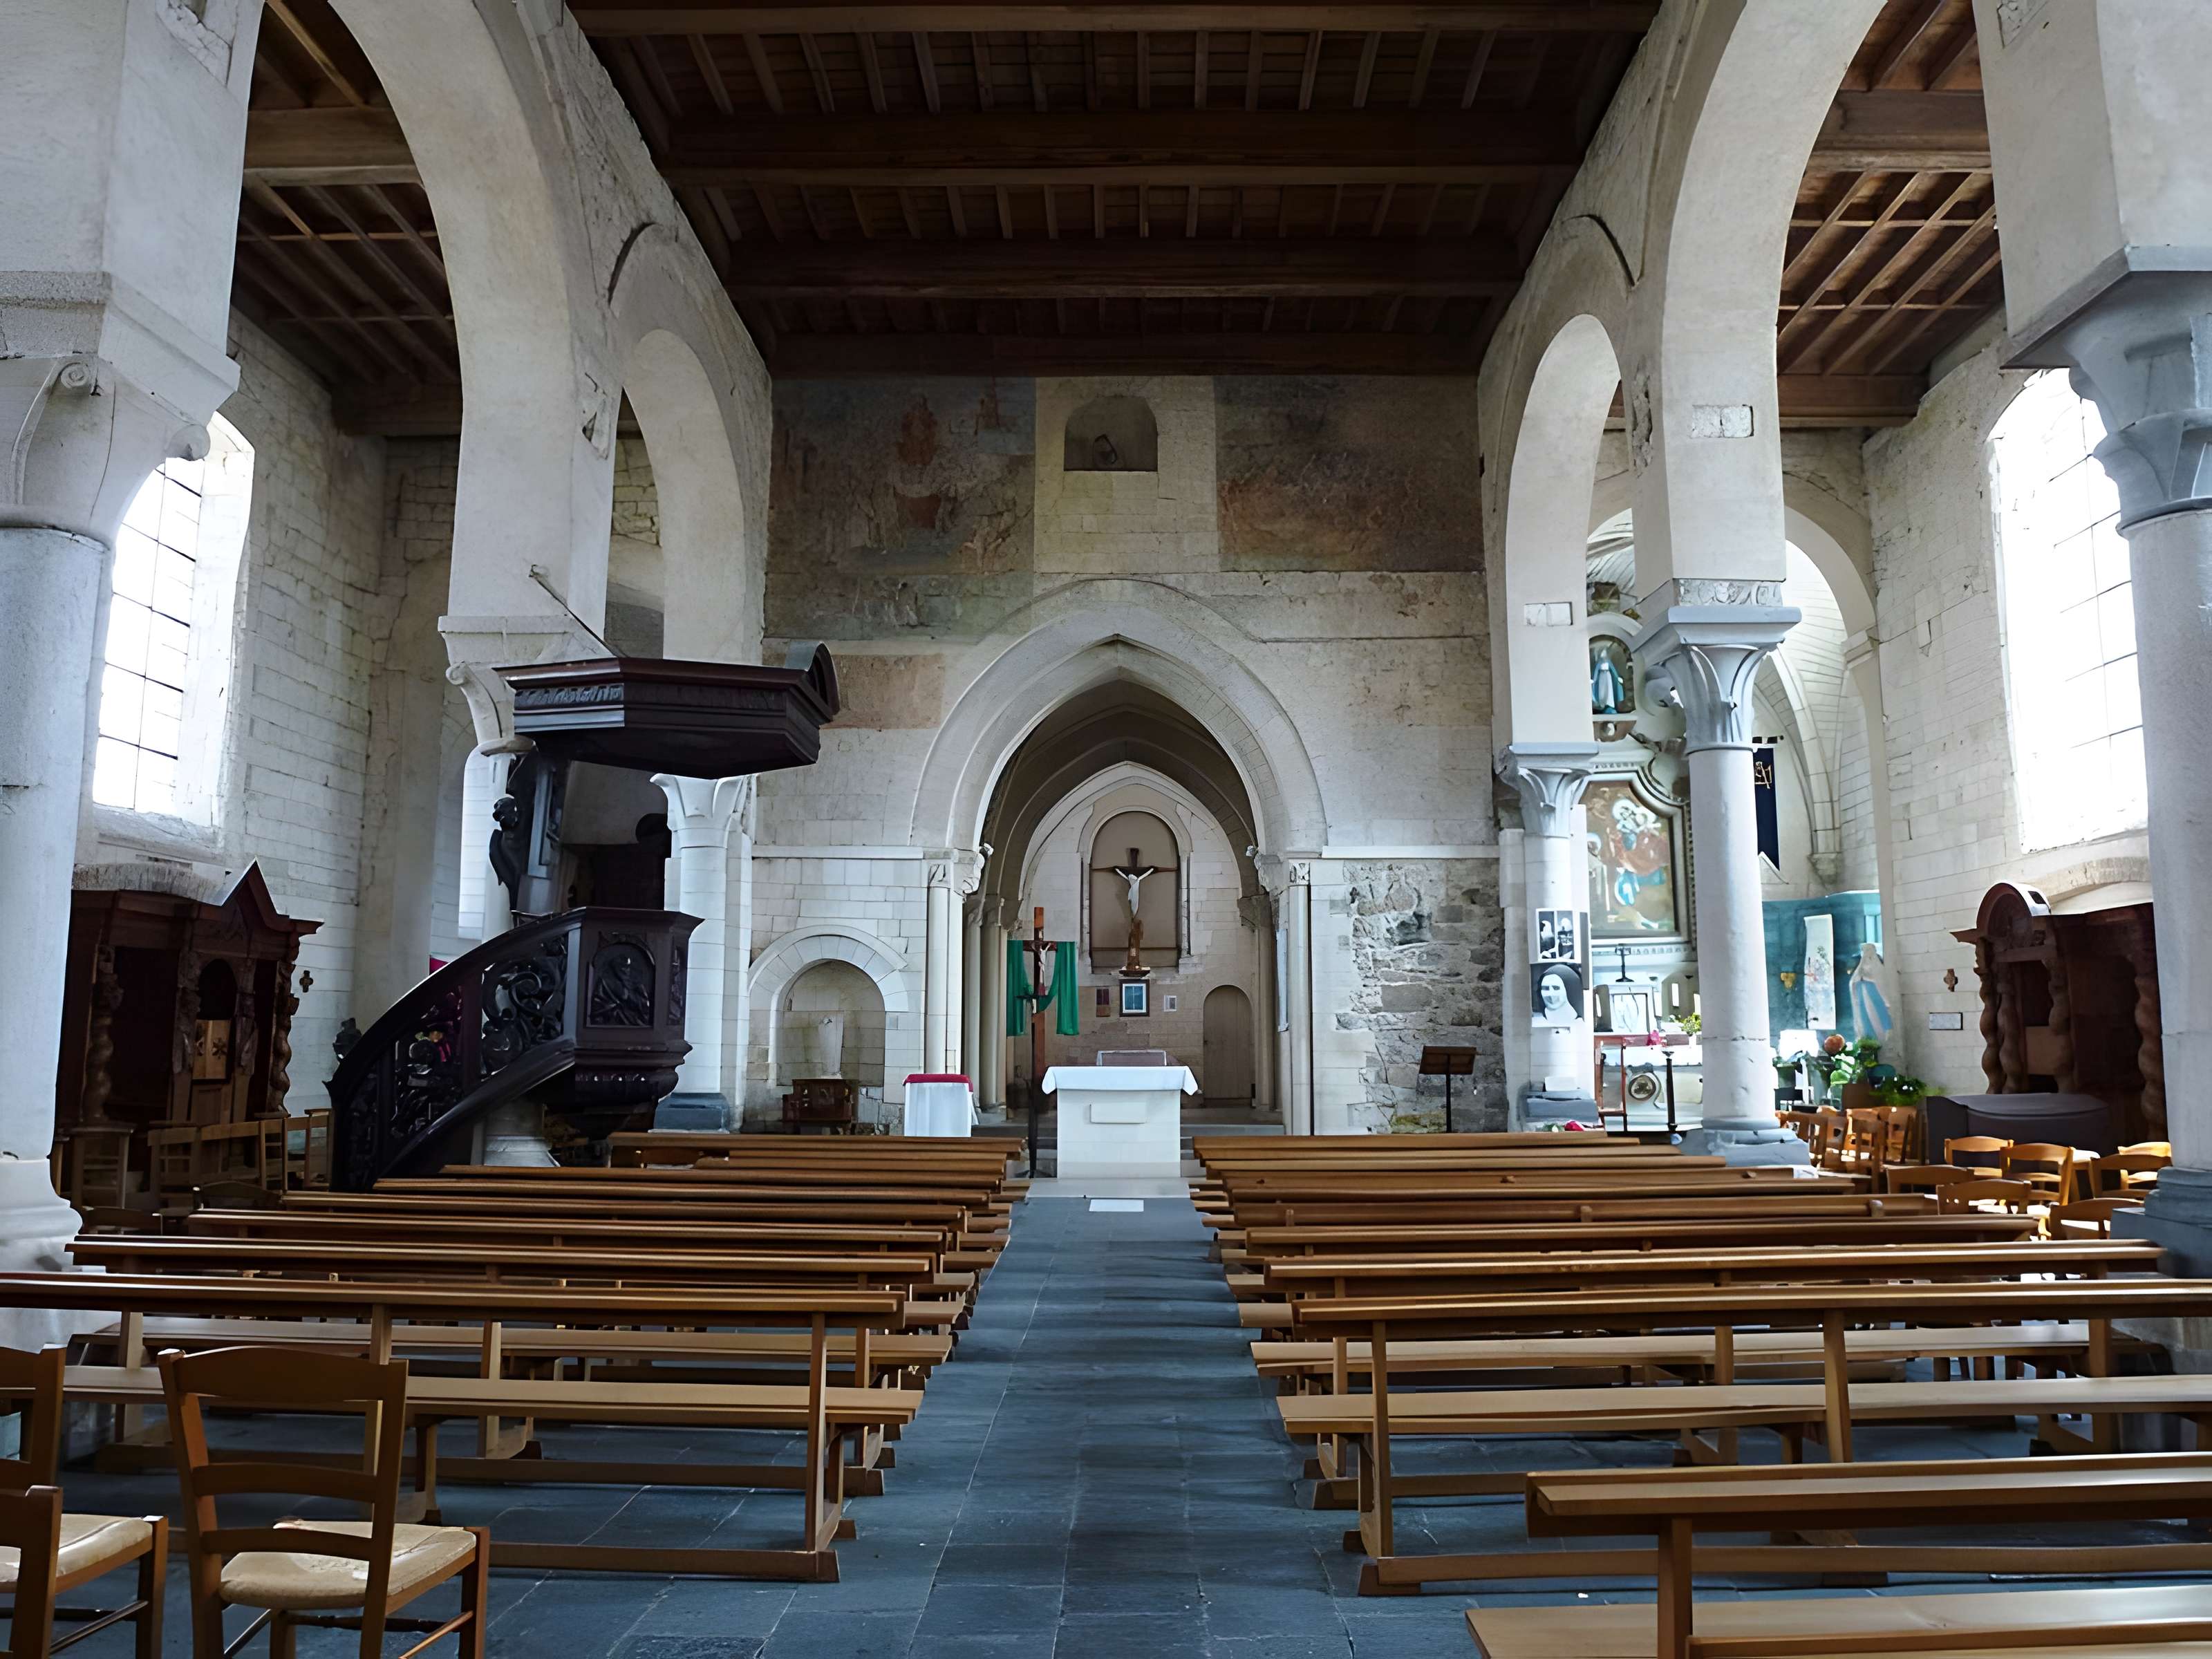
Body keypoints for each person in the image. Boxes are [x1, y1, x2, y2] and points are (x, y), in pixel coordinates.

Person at [1533, 964, 1582, 1028]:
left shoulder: (1580, 1023)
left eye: (1556, 988)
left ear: (1567, 989)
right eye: (1546, 988)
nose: (1551, 994)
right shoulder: (1537, 1021)